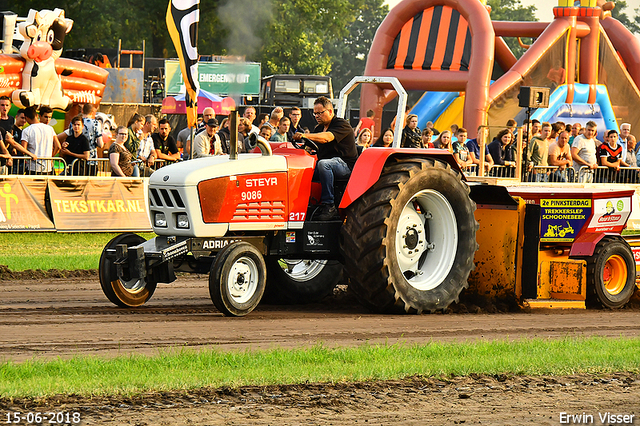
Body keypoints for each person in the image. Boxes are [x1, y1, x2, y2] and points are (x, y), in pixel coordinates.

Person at [292, 96, 358, 221]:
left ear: (330, 112)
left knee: (324, 164)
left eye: (320, 113)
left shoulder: (341, 124)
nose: (317, 116)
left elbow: (326, 137)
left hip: (345, 165)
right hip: (327, 164)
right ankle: (302, 203)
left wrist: (305, 135)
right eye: (315, 113)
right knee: (302, 170)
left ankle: (329, 204)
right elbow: (312, 146)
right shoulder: (318, 128)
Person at [21, 107, 61, 174]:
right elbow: (58, 146)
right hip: (48, 167)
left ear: (26, 117)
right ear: (37, 115)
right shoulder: (50, 129)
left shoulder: (26, 130)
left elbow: (23, 150)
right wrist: (50, 157)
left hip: (33, 167)